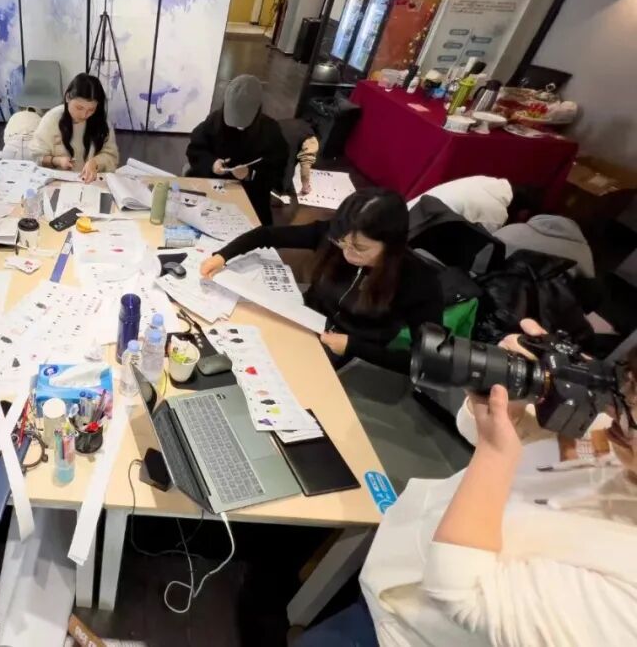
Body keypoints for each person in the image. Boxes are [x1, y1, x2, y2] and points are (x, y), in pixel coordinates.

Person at [300, 321, 637, 646]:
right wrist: (517, 397)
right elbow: (483, 432)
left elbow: (464, 596)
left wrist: (494, 454)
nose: (619, 415)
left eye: (632, 414)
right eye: (627, 385)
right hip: (394, 568)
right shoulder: (621, 428)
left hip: (409, 633)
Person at [200, 188, 442, 371]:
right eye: (342, 242)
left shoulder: (419, 281)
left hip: (349, 350)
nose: (347, 253)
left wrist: (353, 346)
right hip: (303, 318)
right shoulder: (337, 237)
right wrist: (222, 256)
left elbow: (429, 362)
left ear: (391, 245)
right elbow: (267, 234)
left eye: (360, 248)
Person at [185, 74, 289, 225]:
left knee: (254, 229)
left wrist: (250, 174)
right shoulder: (215, 121)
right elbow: (196, 149)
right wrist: (212, 164)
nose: (238, 127)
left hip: (251, 192)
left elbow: (278, 170)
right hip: (215, 185)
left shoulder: (270, 131)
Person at [30, 73, 119, 183]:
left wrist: (95, 162)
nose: (84, 115)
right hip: (58, 182)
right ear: (68, 97)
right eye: (79, 108)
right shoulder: (52, 119)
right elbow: (36, 157)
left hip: (91, 183)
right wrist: (57, 161)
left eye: (91, 110)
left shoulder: (101, 122)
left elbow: (112, 157)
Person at [407, 176, 539, 233]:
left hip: (411, 213)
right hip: (415, 232)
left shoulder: (489, 182)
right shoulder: (495, 214)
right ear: (523, 213)